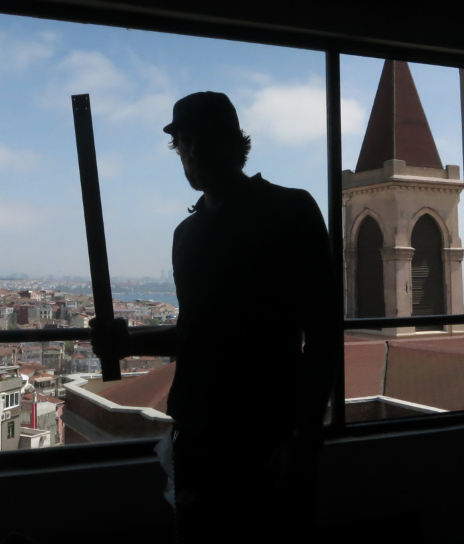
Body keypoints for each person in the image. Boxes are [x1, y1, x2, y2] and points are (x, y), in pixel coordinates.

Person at [91, 91, 339, 543]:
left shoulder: (291, 211)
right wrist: (129, 344)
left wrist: (304, 436)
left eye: (202, 138)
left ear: (233, 141)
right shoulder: (187, 234)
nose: (192, 152)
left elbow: (323, 333)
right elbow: (196, 331)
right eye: (183, 142)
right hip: (198, 432)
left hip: (267, 432)